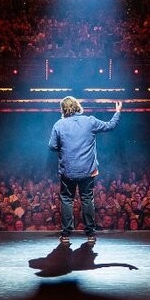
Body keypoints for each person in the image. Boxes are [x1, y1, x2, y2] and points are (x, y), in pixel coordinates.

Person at [48, 96, 122, 244]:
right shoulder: (90, 121)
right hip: (87, 170)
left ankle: (66, 235)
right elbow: (110, 126)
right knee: (87, 199)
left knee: (67, 200)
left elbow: (52, 146)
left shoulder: (59, 124)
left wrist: (66, 146)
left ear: (63, 109)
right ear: (77, 106)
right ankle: (90, 234)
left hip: (68, 170)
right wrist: (117, 112)